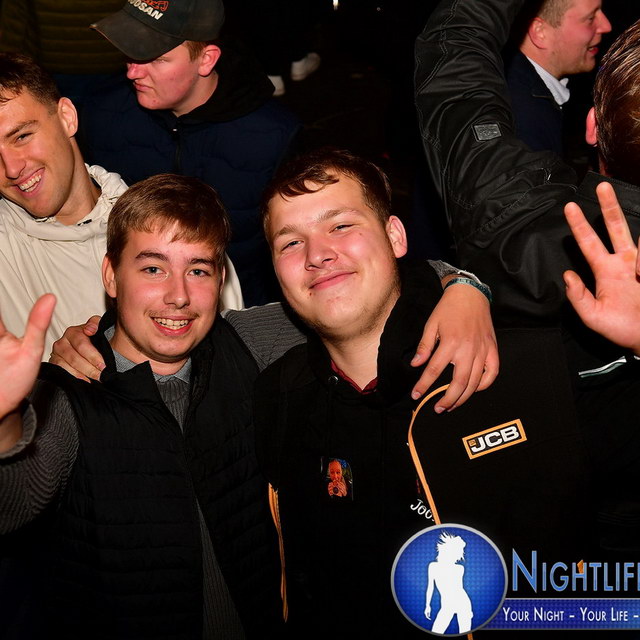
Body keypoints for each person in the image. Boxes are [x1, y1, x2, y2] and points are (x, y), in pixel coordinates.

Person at [253, 148, 591, 635]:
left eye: (341, 225)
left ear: (395, 236)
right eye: (290, 243)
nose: (316, 254)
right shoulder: (276, 395)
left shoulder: (525, 362)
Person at [0, 173, 282, 639]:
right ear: (111, 276)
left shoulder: (249, 343)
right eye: (153, 268)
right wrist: (6, 423)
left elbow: (352, 306)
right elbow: (12, 505)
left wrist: (434, 298)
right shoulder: (67, 394)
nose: (178, 295)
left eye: (198, 270)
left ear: (221, 279)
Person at [415, 0, 640, 563]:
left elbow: (455, 69)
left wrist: (465, 280)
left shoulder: (520, 219)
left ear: (591, 126)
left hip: (562, 538)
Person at [0, 53, 243, 359]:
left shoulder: (173, 223)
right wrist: (51, 377)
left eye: (22, 136)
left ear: (67, 117)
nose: (11, 168)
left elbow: (234, 357)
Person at [81, 0, 300, 306]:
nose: (133, 72)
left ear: (206, 60)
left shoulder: (274, 135)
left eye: (155, 58)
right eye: (130, 53)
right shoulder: (100, 115)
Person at [505, 0, 611, 155]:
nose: (606, 26)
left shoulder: (523, 89)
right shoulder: (523, 121)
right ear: (540, 32)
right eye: (590, 18)